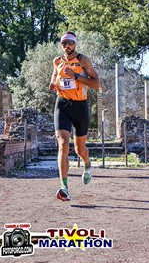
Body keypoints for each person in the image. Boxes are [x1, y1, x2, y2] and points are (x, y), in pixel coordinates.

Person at [49, 32, 100, 202]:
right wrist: (52, 84)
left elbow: (96, 83)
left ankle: (87, 164)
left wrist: (77, 76)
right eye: (64, 43)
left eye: (70, 43)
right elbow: (55, 77)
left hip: (80, 107)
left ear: (75, 44)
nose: (67, 46)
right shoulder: (57, 61)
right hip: (62, 104)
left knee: (79, 149)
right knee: (63, 144)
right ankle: (64, 187)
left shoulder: (83, 60)